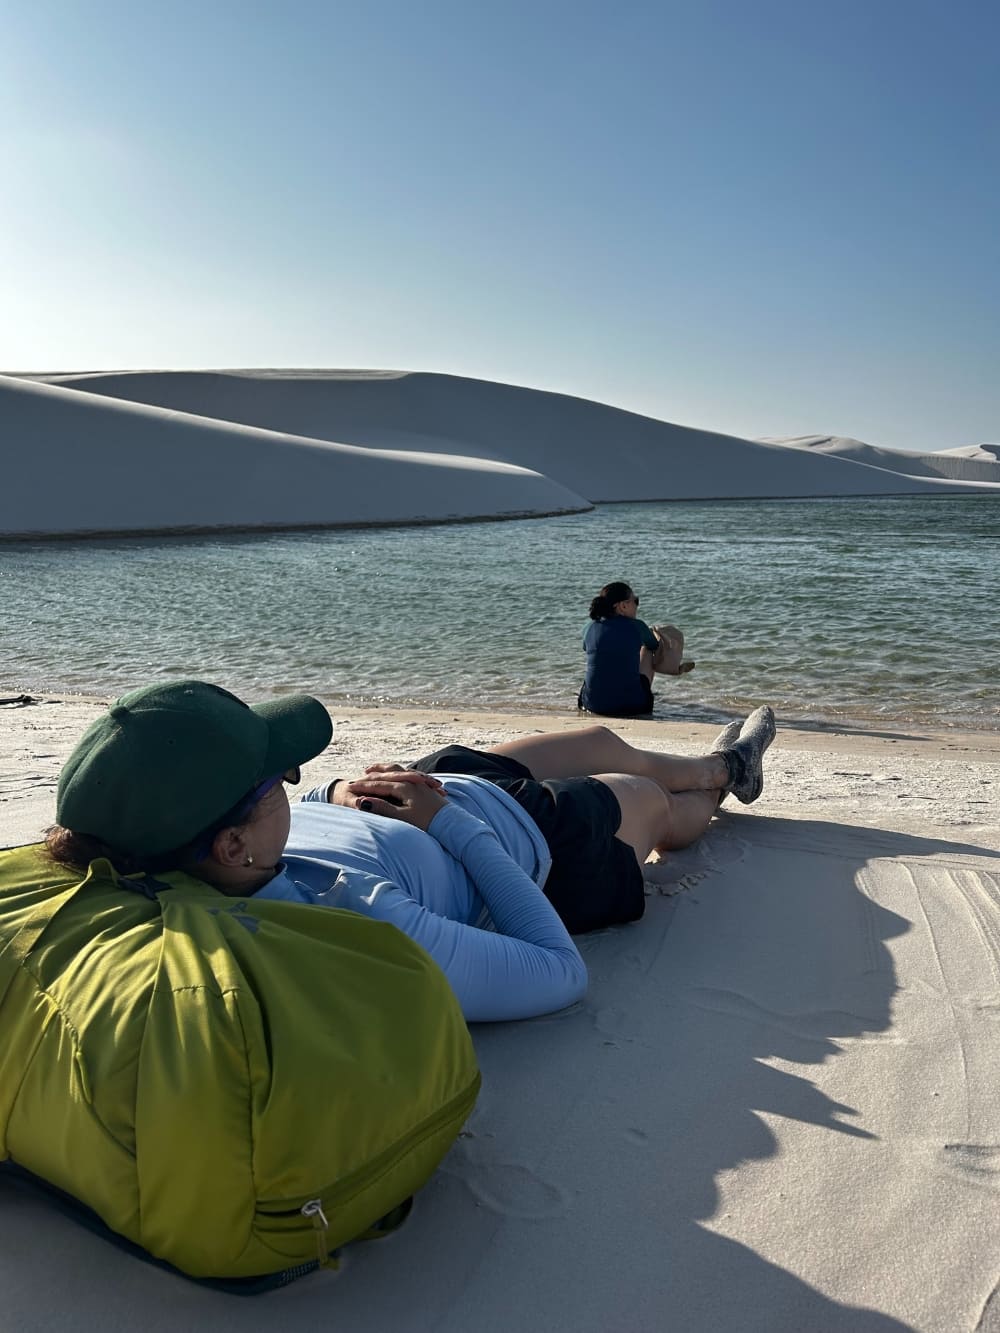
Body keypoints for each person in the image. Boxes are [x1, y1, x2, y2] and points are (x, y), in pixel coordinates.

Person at [46, 680, 775, 1024]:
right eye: (278, 777)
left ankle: (721, 766)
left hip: (431, 789)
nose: (293, 778)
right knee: (649, 801)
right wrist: (450, 823)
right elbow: (559, 972)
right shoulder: (352, 918)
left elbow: (298, 824)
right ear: (233, 844)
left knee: (601, 740)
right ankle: (721, 780)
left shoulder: (197, 853)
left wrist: (334, 790)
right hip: (535, 844)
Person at [579, 581, 694, 718]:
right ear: (623, 606)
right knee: (647, 649)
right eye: (636, 601)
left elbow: (587, 648)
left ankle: (606, 692)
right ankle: (673, 670)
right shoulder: (637, 626)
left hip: (593, 705)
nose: (637, 606)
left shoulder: (589, 627)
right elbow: (654, 646)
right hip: (633, 706)